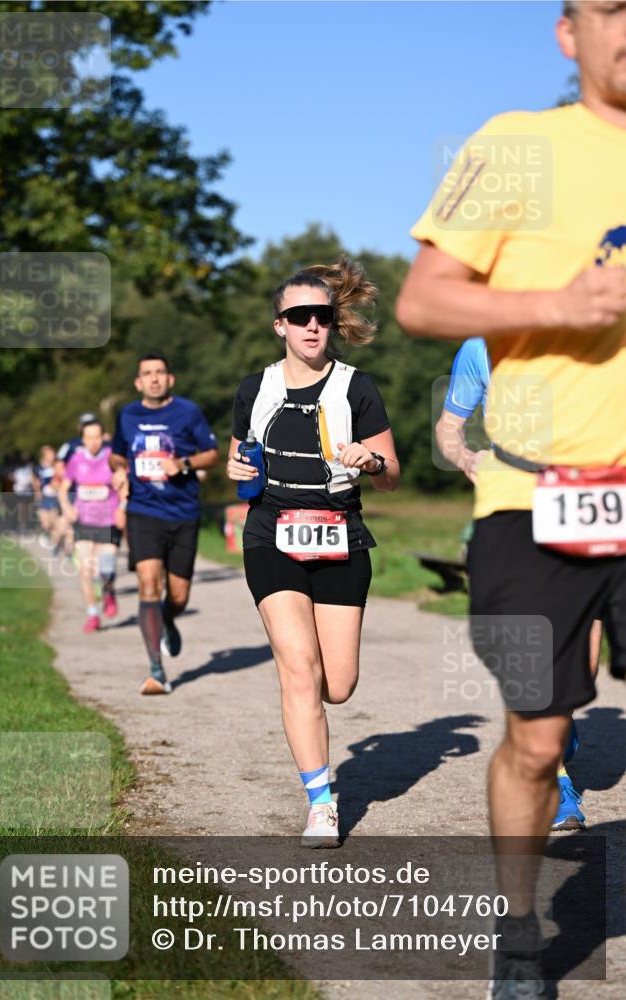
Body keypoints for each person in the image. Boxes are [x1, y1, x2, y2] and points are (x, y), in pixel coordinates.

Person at [396, 2, 625, 994]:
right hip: (535, 501)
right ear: (569, 32)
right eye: (614, 7)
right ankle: (519, 931)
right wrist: (556, 305)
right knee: (537, 742)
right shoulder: (518, 146)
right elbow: (421, 300)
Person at [227, 258, 400, 847]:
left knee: (338, 683)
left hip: (340, 532)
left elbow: (392, 475)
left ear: (333, 323)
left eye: (320, 317)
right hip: (270, 531)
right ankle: (321, 802)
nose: (310, 327)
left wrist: (372, 462)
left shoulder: (357, 387)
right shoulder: (255, 388)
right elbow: (241, 464)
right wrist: (237, 471)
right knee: (299, 665)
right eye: (298, 317)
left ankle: (310, 702)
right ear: (279, 325)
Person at [436, 337, 600, 831]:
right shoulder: (480, 349)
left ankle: (554, 739)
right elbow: (449, 428)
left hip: (582, 510)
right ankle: (557, 784)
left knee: (580, 664)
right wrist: (465, 459)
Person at [110, 353, 219, 694]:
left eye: (160, 372)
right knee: (147, 583)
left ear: (170, 379)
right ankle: (156, 669)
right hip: (143, 511)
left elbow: (212, 454)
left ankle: (168, 617)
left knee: (178, 595)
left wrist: (183, 463)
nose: (154, 379)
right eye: (147, 374)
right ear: (138, 382)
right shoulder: (128, 414)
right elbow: (117, 452)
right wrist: (117, 468)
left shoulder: (188, 412)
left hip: (183, 512)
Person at [59, 419, 126, 632]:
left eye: (97, 437)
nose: (93, 442)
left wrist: (122, 507)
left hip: (108, 521)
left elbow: (124, 485)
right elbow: (64, 488)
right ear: (83, 439)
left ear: (104, 437)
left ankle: (109, 591)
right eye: (89, 438)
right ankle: (92, 615)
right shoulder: (76, 460)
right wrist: (66, 507)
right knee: (86, 571)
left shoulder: (112, 459)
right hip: (84, 521)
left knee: (106, 568)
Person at [33, 444, 62, 549]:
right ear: (44, 455)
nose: (51, 456)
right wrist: (37, 492)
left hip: (55, 497)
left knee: (54, 521)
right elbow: (36, 481)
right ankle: (49, 536)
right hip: (44, 497)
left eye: (52, 454)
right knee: (46, 523)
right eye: (48, 454)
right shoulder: (39, 468)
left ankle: (54, 544)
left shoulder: (58, 466)